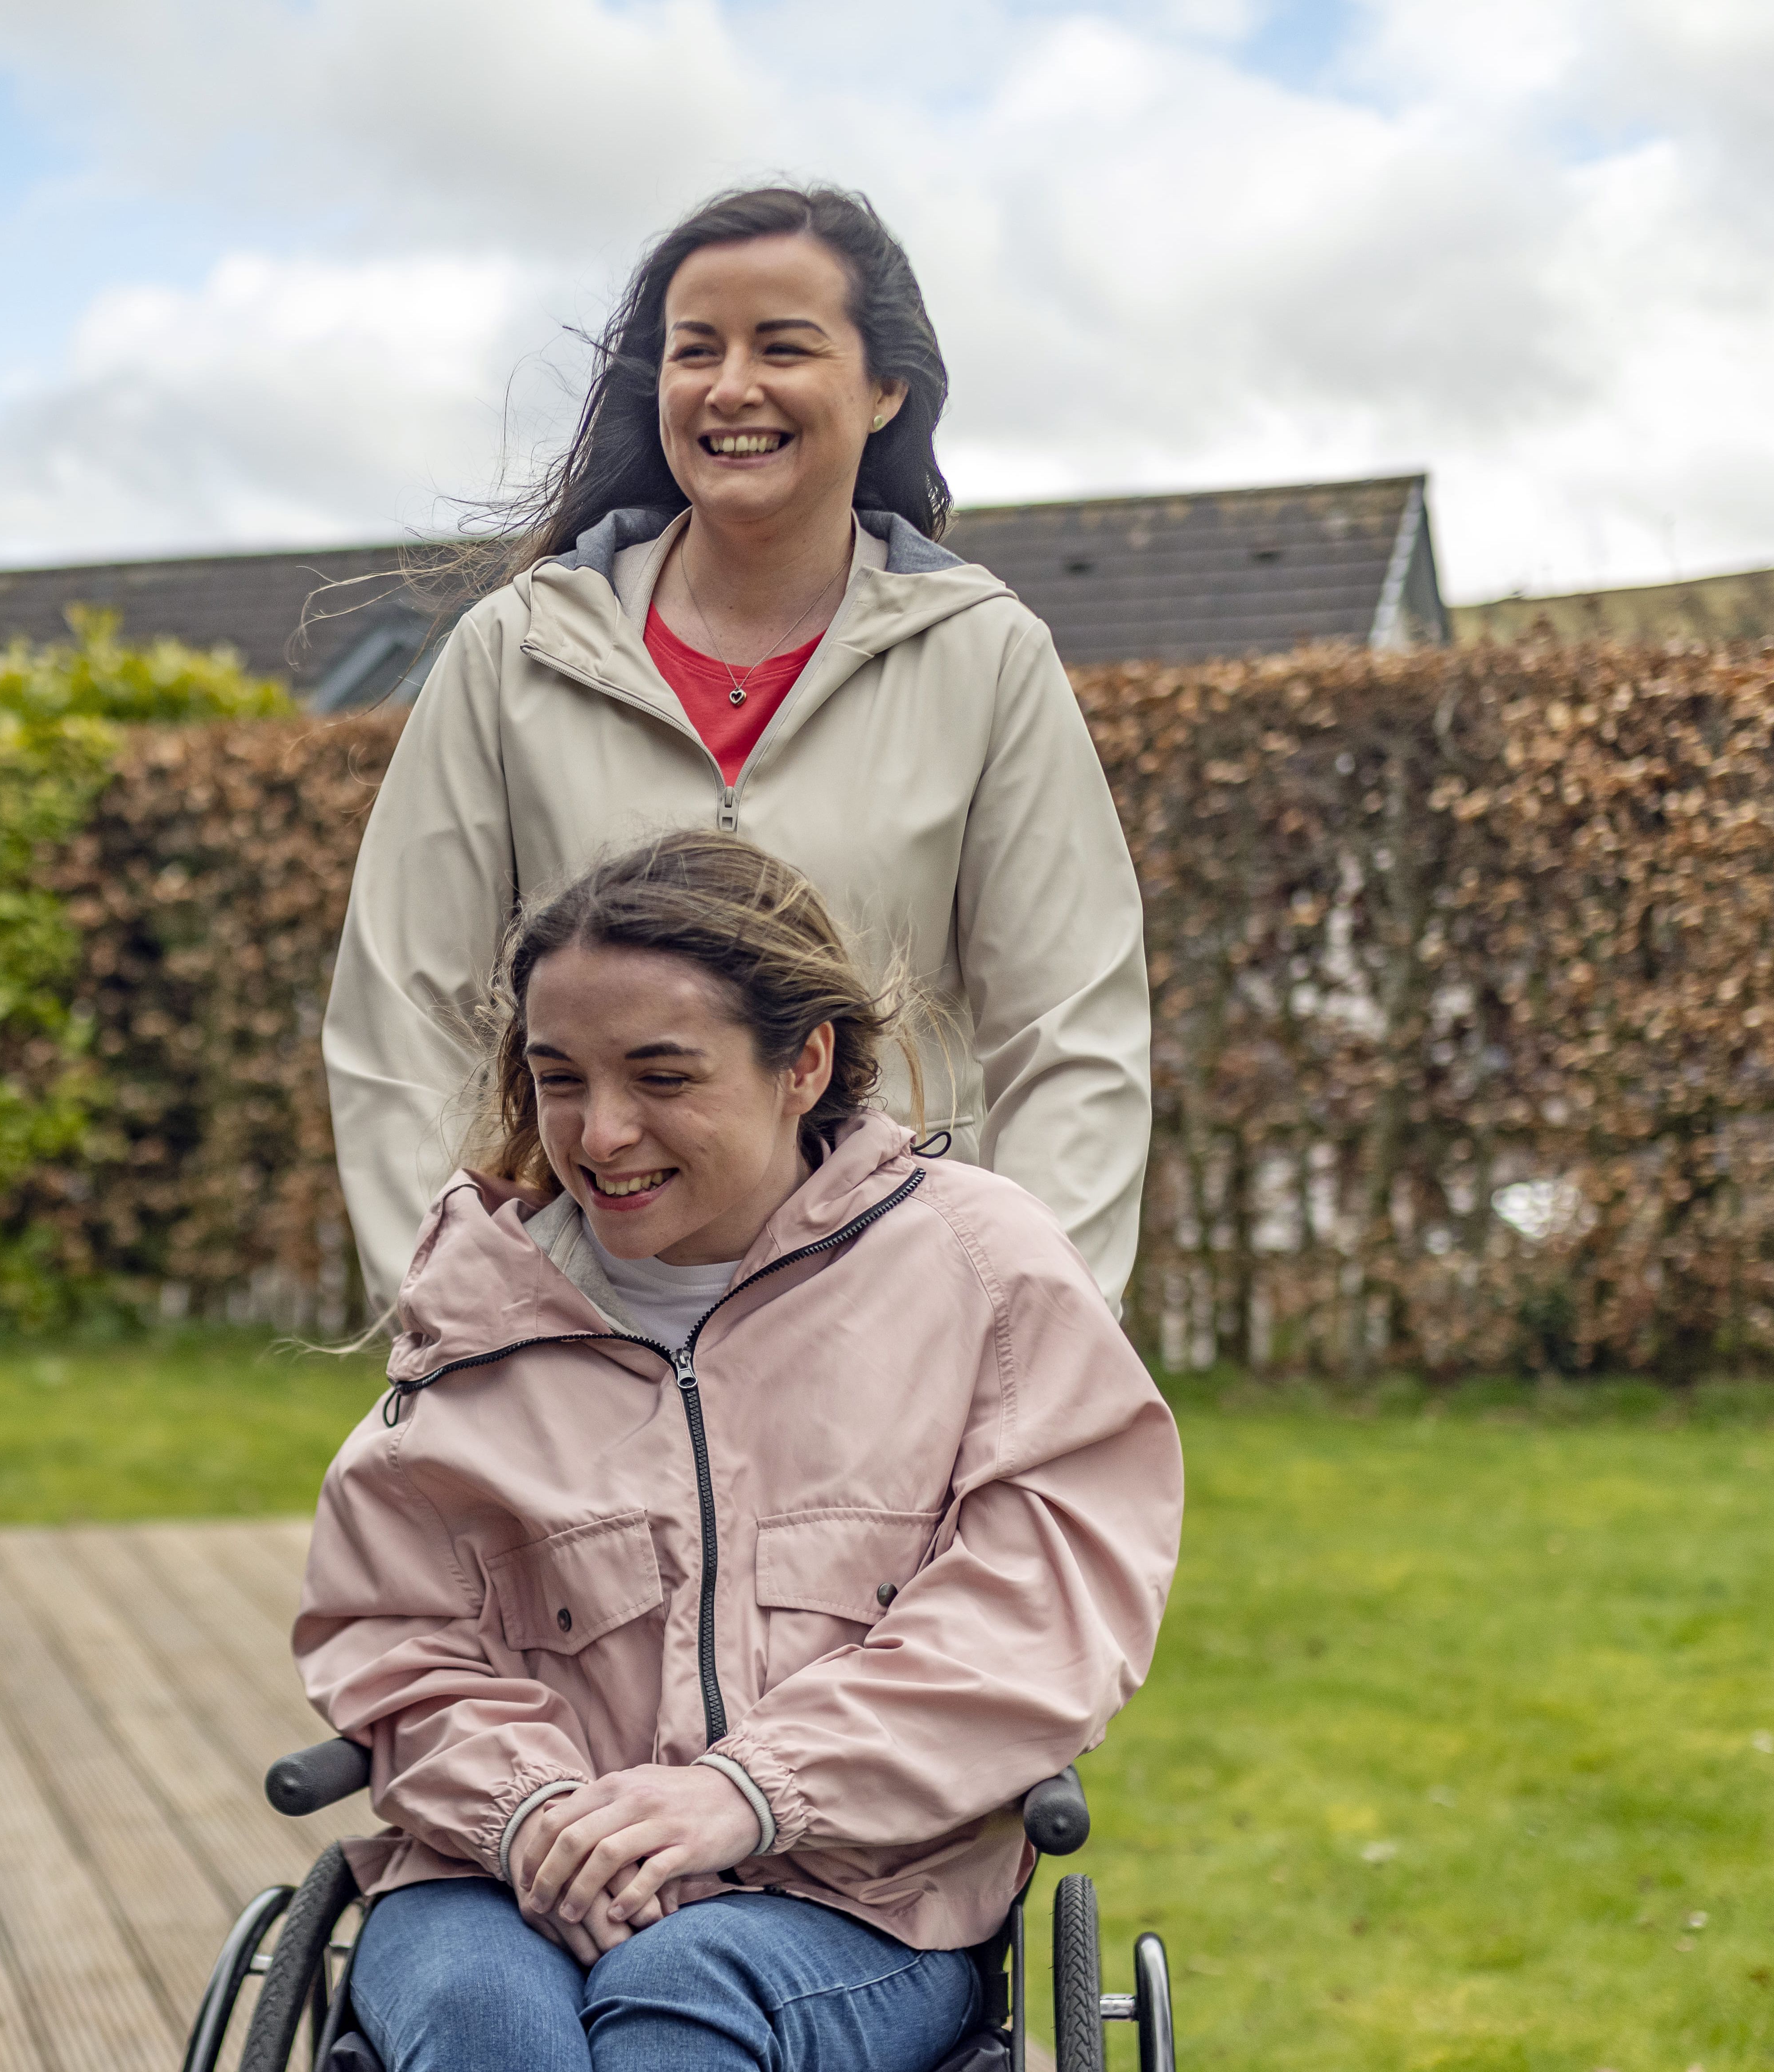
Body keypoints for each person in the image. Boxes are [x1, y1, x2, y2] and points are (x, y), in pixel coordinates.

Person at [297, 833, 1183, 2072]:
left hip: (851, 1894)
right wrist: (539, 1820)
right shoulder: (482, 1305)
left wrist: (746, 1791)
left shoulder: (985, 1276)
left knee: (681, 1995)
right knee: (492, 2031)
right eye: (560, 1079)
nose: (601, 1134)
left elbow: (1038, 1615)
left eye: (662, 1075)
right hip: (492, 1879)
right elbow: (396, 1638)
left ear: (803, 1063)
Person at [325, 185, 1151, 1313]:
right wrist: (455, 1305)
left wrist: (1034, 1334)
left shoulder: (987, 656)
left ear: (886, 388)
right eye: (695, 350)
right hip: (578, 1324)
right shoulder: (515, 652)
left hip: (896, 1320)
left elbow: (1074, 1033)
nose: (730, 388)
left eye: (785, 346)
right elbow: (400, 1012)